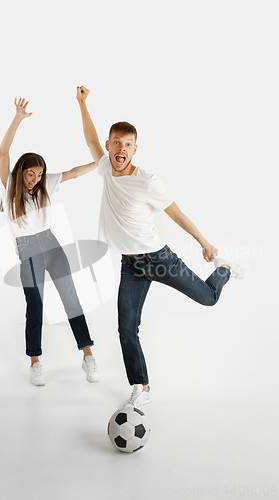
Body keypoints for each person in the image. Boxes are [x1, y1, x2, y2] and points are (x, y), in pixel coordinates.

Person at [76, 85, 245, 408]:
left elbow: (176, 213)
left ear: (135, 149)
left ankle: (223, 269)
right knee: (126, 329)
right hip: (131, 266)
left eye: (127, 144)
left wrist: (205, 244)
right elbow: (90, 139)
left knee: (208, 299)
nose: (120, 149)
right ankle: (142, 386)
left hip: (160, 258)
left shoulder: (148, 181)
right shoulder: (104, 168)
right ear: (110, 146)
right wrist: (82, 103)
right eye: (116, 143)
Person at [0, 97, 100, 386]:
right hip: (27, 251)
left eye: (39, 174)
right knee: (36, 305)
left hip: (52, 247)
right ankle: (35, 361)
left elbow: (73, 173)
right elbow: (4, 150)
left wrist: (99, 162)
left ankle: (88, 356)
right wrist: (18, 117)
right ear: (21, 172)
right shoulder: (9, 186)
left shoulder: (46, 186)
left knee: (71, 299)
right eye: (31, 173)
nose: (35, 179)